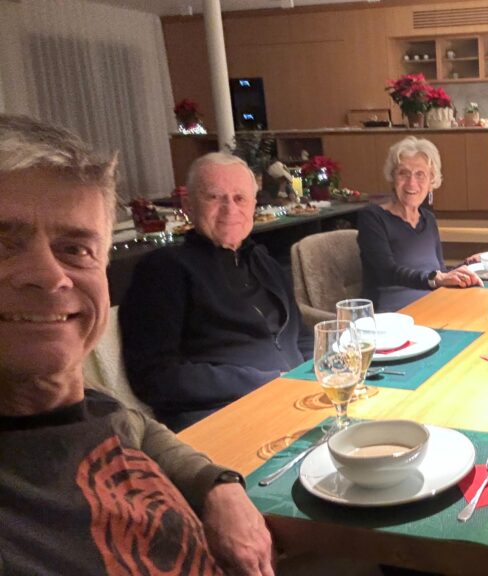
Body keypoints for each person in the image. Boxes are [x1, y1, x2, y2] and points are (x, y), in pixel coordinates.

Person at [0, 115, 273, 574]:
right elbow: (159, 376)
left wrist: (217, 485)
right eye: (4, 245)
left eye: (75, 249)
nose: (49, 275)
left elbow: (135, 426)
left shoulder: (92, 410)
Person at [120, 153, 312, 431]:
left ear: (254, 205)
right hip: (223, 415)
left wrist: (316, 372)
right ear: (188, 205)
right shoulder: (164, 270)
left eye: (240, 198)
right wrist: (264, 381)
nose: (230, 209)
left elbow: (301, 335)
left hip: (295, 399)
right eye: (214, 197)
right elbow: (154, 377)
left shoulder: (264, 261)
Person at [358, 136, 482, 312]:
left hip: (432, 307)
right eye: (403, 173)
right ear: (392, 178)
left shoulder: (428, 219)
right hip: (392, 315)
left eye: (420, 174)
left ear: (432, 182)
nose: (411, 183)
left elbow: (438, 271)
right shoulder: (373, 217)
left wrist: (467, 265)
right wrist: (435, 279)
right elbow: (387, 272)